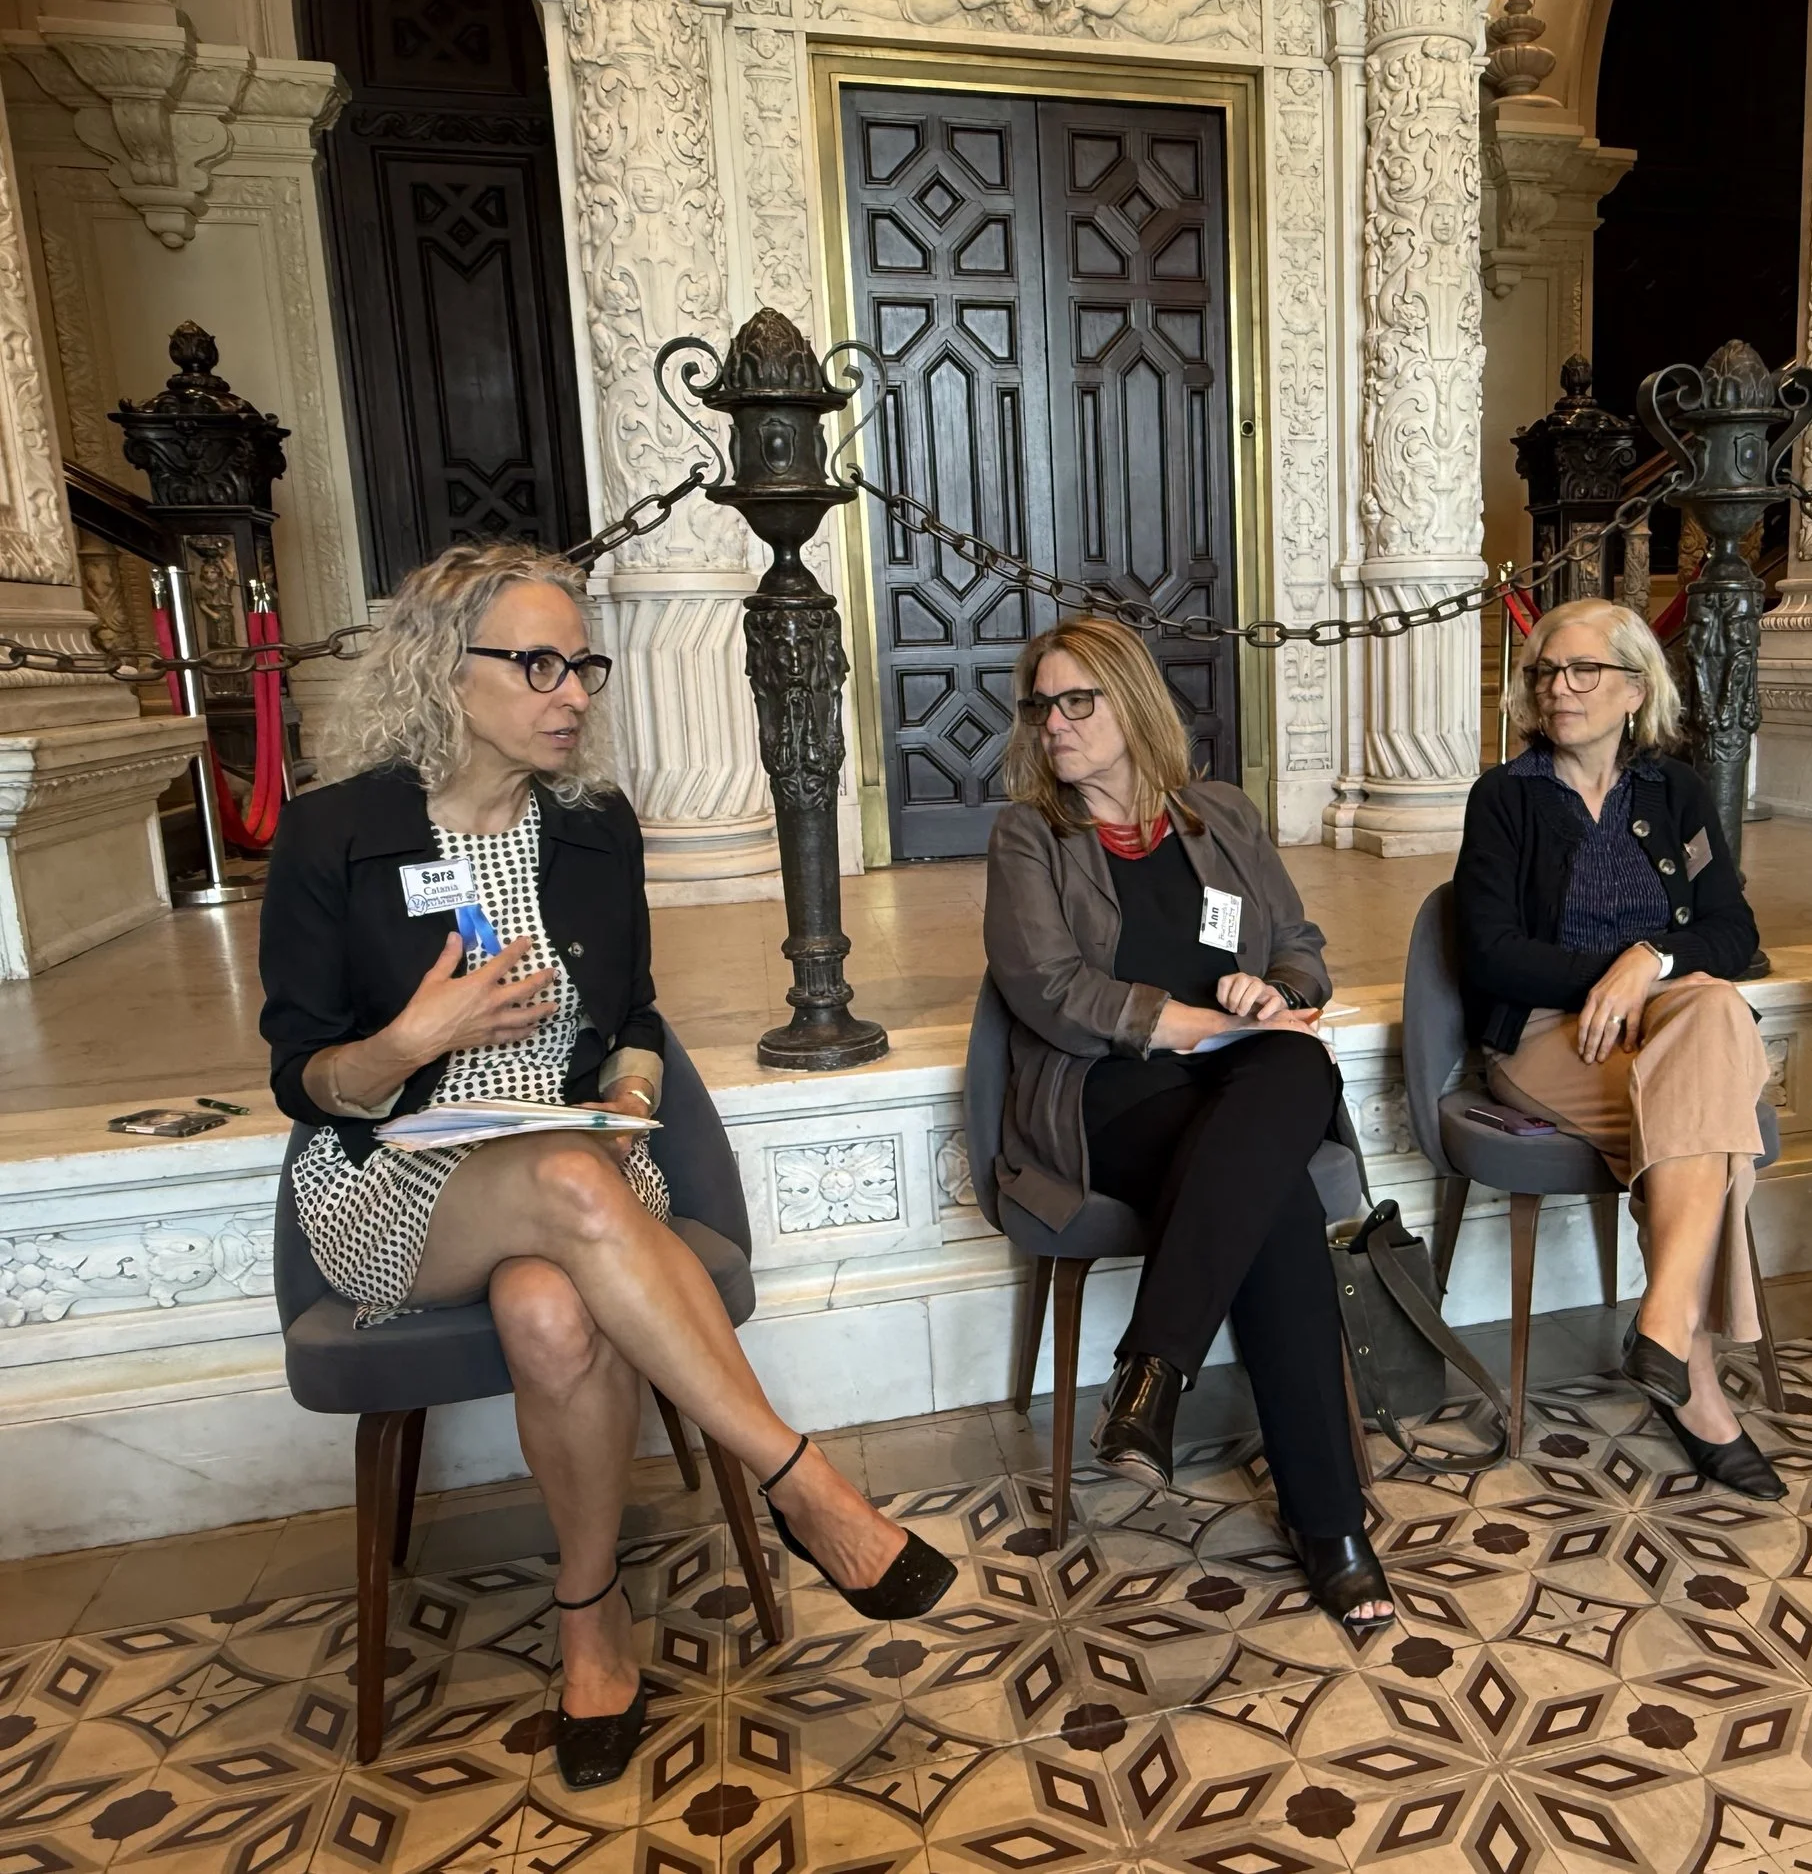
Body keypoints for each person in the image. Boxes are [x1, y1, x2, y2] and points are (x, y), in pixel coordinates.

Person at [259, 543, 954, 1790]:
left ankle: (591, 1621)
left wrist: (632, 1088)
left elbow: (632, 1016)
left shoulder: (592, 830)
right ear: (441, 671)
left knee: (549, 1302)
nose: (572, 690)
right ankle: (805, 1484)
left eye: (582, 663)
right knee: (569, 1184)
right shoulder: (332, 837)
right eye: (537, 663)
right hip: (394, 1180)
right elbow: (303, 1080)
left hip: (582, 1159)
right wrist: (417, 1040)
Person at [982, 615, 1393, 1632]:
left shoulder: (1220, 817)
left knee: (1293, 1055)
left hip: (1243, 1078)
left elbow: (1301, 943)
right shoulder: (1029, 836)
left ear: (1132, 705)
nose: (1055, 725)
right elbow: (1048, 987)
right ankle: (1331, 1527)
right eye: (1042, 705)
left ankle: (1155, 1368)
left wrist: (1273, 988)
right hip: (1110, 1094)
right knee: (1282, 1204)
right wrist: (1196, 1024)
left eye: (1079, 702)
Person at [1452, 598, 1780, 1499]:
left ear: (1636, 687)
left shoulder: (1675, 792)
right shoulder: (1506, 798)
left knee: (1709, 1011)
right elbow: (1489, 951)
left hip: (1671, 1027)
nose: (1560, 689)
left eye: (1583, 671)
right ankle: (1687, 1363)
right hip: (1552, 1037)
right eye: (1546, 673)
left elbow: (1732, 926)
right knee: (1716, 1120)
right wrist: (1613, 979)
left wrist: (1652, 961)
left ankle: (1668, 1328)